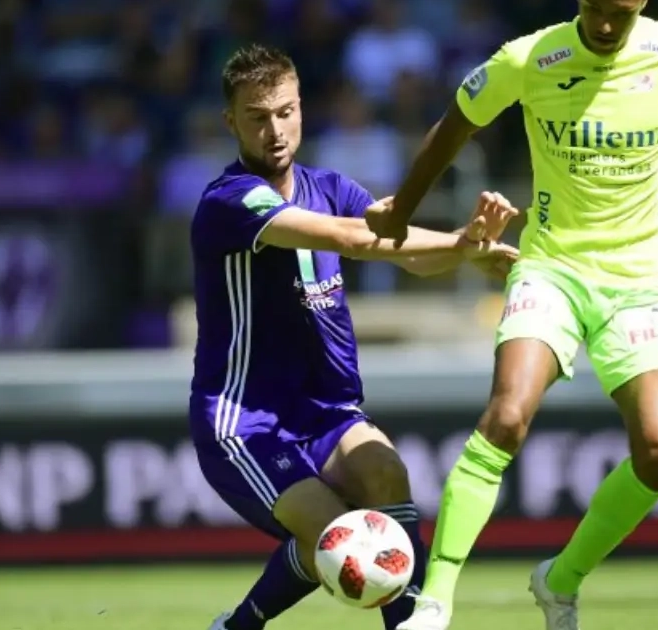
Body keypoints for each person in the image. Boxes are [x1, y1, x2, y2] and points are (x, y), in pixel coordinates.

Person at [364, 1, 658, 629]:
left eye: (619, 14)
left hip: (643, 281)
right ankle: (434, 601)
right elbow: (455, 124)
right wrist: (402, 211)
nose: (605, 25)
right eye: (595, 9)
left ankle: (561, 580)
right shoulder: (530, 57)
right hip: (552, 268)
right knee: (507, 416)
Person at [190, 44, 519, 630]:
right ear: (230, 122)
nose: (275, 131)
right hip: (247, 421)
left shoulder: (330, 186)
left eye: (285, 112)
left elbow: (402, 252)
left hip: (327, 411)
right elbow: (354, 238)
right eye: (257, 117)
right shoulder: (229, 200)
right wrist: (459, 244)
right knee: (340, 540)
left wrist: (466, 251)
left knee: (386, 473)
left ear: (301, 109)